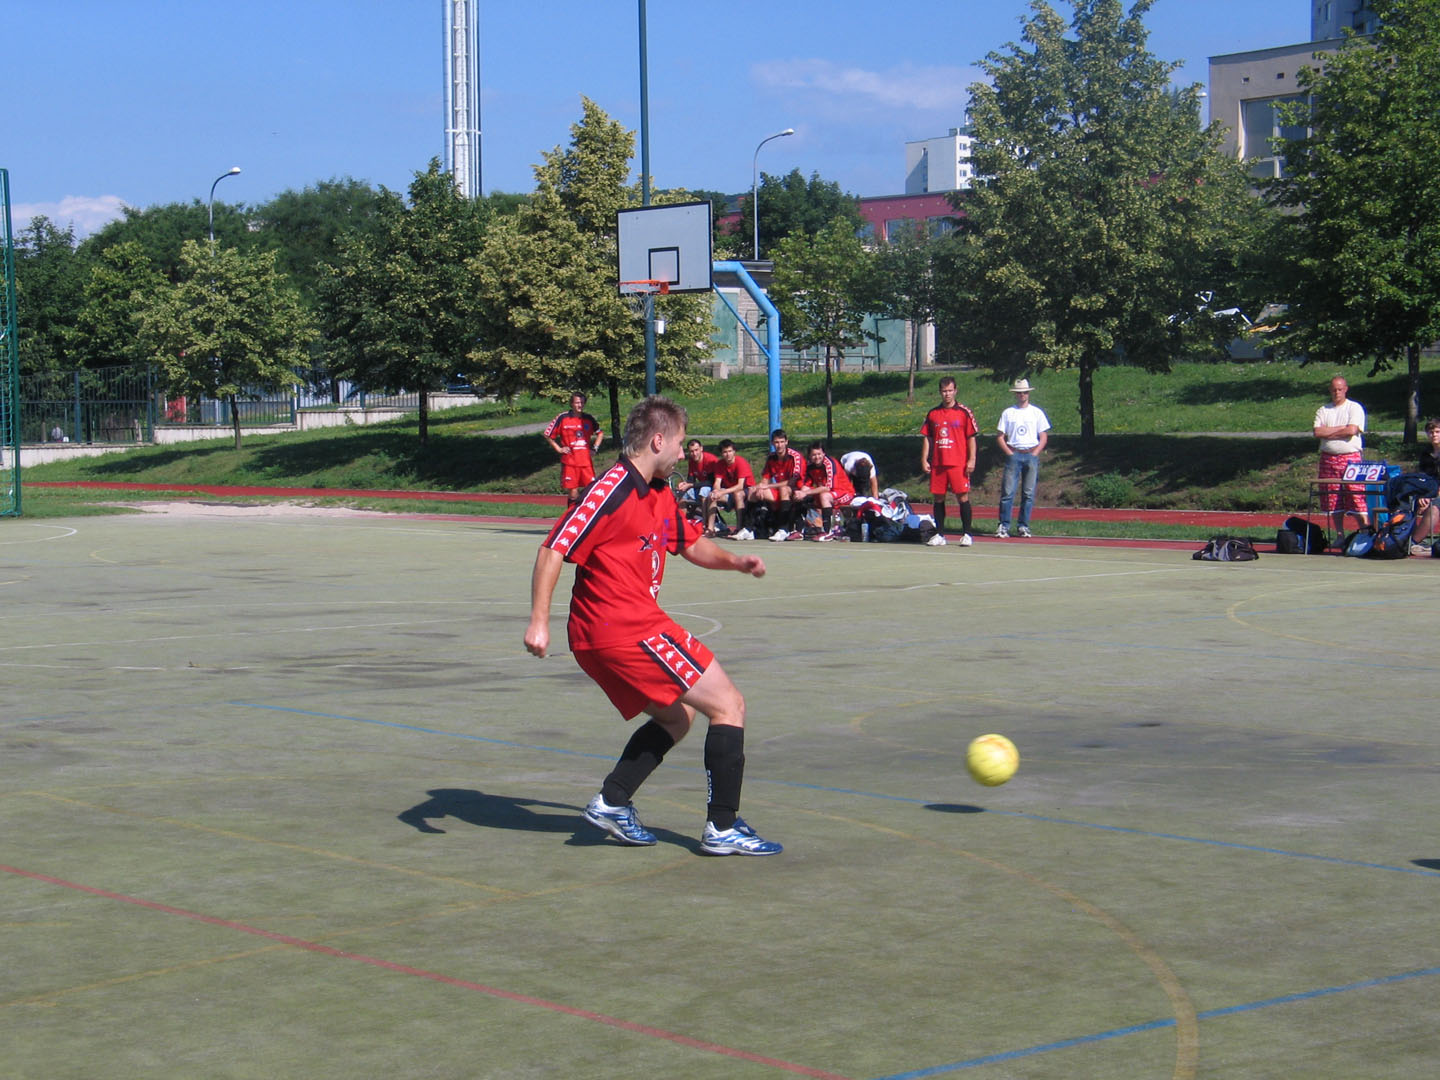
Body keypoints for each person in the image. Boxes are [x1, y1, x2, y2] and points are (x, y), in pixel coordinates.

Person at [523, 395, 781, 856]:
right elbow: (554, 547)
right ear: (658, 441)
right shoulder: (611, 489)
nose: (683, 452)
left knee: (677, 716)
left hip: (612, 631)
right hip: (623, 627)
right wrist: (538, 622)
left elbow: (690, 544)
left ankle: (612, 801)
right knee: (728, 704)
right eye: (680, 443)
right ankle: (723, 826)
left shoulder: (659, 491)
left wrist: (735, 561)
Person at [919, 376, 977, 547]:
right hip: (939, 463)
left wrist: (972, 459)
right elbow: (927, 438)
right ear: (940, 392)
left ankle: (967, 534)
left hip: (958, 462)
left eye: (950, 390)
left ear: (955, 391)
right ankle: (940, 534)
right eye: (944, 391)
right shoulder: (933, 414)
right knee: (938, 498)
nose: (947, 394)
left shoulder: (964, 412)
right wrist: (924, 459)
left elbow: (971, 438)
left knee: (962, 496)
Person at [1312, 375, 1368, 541]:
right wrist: (1341, 430)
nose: (1337, 392)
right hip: (1328, 459)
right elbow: (1317, 432)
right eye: (1334, 390)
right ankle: (1339, 535)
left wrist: (1329, 432)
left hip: (1350, 458)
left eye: (1340, 389)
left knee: (1356, 495)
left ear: (1346, 389)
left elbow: (1351, 430)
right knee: (1332, 498)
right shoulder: (1323, 410)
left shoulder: (1354, 408)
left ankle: (1365, 532)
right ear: (1330, 390)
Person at [994, 378, 1051, 538]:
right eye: (1019, 393)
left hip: (1031, 454)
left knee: (1028, 493)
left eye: (1025, 392)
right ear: (1016, 394)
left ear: (1028, 393)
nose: (1022, 395)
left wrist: (1036, 452)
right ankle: (1004, 525)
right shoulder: (1008, 413)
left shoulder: (1036, 412)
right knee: (1008, 493)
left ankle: (1023, 526)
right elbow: (1000, 436)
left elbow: (1043, 436)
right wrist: (1009, 452)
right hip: (1014, 453)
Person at [543, 392, 604, 505]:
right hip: (570, 461)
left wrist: (594, 448)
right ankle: (571, 513)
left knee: (590, 490)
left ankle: (584, 513)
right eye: (577, 402)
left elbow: (600, 433)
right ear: (571, 403)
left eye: (582, 403)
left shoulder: (588, 418)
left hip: (585, 462)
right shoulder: (563, 417)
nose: (580, 405)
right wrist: (559, 449)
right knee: (573, 492)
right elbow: (548, 434)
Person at [751, 428, 807, 542]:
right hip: (779, 490)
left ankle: (784, 529)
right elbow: (765, 479)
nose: (779, 445)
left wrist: (768, 486)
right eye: (776, 442)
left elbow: (792, 482)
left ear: (786, 442)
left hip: (797, 490)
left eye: (782, 442)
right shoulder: (771, 457)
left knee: (784, 489)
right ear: (772, 443)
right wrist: (760, 487)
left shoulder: (795, 457)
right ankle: (748, 528)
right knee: (753, 490)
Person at [793, 442, 855, 541]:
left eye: (819, 454)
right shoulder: (810, 466)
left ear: (824, 454)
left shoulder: (829, 464)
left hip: (844, 493)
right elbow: (807, 485)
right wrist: (800, 493)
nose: (817, 457)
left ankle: (827, 532)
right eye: (814, 455)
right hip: (824, 494)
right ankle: (799, 531)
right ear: (809, 456)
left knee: (824, 496)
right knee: (797, 496)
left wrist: (805, 493)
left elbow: (827, 488)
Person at [705, 439, 756, 540]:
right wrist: (716, 491)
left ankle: (739, 528)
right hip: (730, 491)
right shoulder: (720, 464)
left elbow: (740, 486)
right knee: (711, 496)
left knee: (738, 494)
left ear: (734, 451)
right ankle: (710, 529)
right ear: (721, 453)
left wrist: (722, 492)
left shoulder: (741, 462)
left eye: (730, 451)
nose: (728, 454)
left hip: (747, 492)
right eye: (725, 452)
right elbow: (717, 482)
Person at [1411, 417, 1440, 550]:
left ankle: (1413, 543)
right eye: (1431, 432)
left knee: (1433, 507)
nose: (1434, 435)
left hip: (1436, 493)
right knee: (1405, 502)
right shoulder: (1425, 453)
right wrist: (1422, 495)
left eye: (1437, 432)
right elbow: (1422, 477)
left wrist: (1431, 496)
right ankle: (1402, 537)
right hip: (1427, 491)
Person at [675, 438, 718, 522]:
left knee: (704, 491)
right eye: (691, 451)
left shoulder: (710, 460)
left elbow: (711, 482)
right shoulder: (691, 461)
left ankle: (705, 523)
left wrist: (691, 485)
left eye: (696, 450)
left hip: (714, 488)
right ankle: (682, 522)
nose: (694, 454)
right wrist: (684, 484)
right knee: (682, 493)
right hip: (701, 486)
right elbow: (691, 480)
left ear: (701, 448)